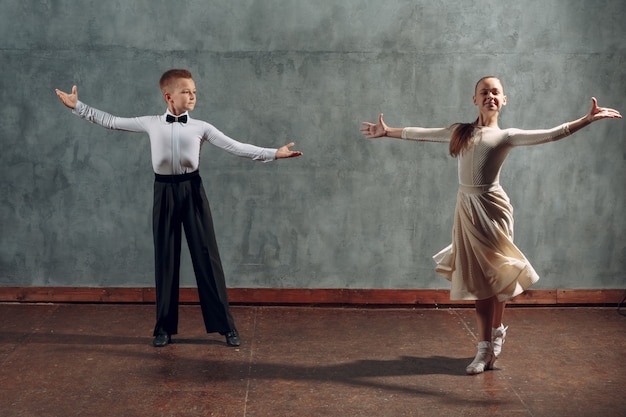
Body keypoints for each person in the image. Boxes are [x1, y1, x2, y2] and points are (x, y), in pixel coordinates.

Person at [360, 76, 621, 374]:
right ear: (475, 99)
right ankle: (486, 347)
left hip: (493, 208)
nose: (490, 96)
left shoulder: (507, 136)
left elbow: (550, 134)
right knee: (480, 279)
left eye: (496, 92)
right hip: (467, 209)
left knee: (498, 275)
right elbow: (422, 133)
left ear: (504, 99)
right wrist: (388, 131)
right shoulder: (460, 131)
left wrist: (586, 120)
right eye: (484, 92)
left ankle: (492, 338)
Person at [55, 69, 302, 348]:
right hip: (164, 192)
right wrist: (79, 107)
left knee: (207, 258)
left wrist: (274, 153)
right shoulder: (150, 123)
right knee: (166, 258)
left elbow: (237, 147)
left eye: (195, 91)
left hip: (192, 191)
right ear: (169, 96)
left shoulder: (202, 128)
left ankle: (226, 326)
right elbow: (111, 121)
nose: (193, 96)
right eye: (187, 91)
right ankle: (164, 328)